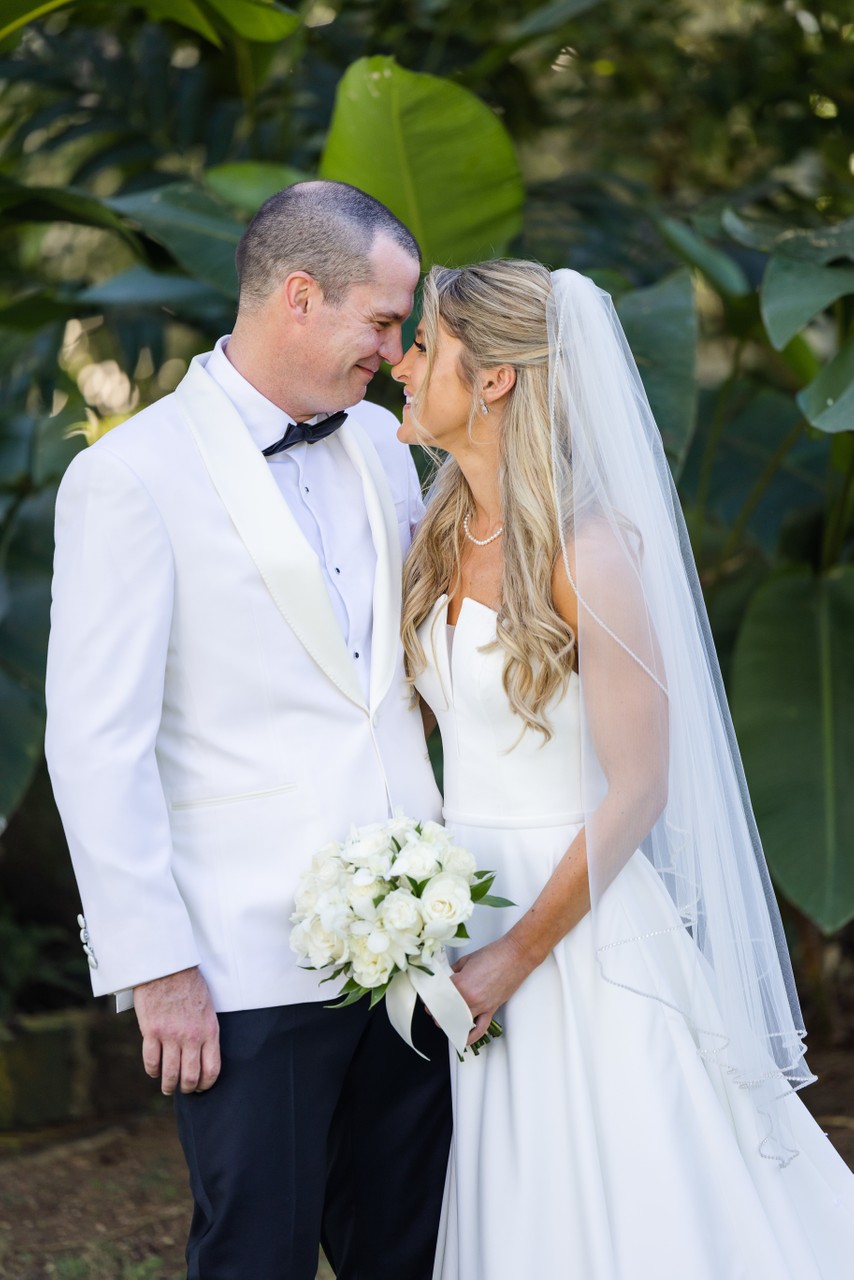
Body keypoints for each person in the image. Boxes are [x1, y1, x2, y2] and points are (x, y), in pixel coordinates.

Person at [392, 258, 854, 1279]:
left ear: (496, 376)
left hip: (579, 928)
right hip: (462, 902)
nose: (401, 364)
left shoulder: (585, 547)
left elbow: (639, 784)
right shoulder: (430, 531)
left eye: (424, 345)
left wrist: (513, 955)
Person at [44, 180, 451, 1280]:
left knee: (410, 1248)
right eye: (380, 318)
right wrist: (157, 962)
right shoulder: (127, 477)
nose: (395, 345)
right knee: (256, 1252)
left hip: (411, 949)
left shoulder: (381, 444)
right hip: (240, 963)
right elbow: (96, 741)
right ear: (300, 297)